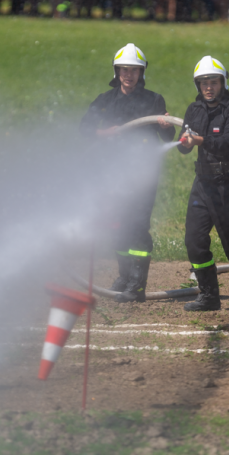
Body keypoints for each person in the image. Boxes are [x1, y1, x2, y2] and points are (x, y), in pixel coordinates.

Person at [79, 44, 175, 303]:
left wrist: (166, 126)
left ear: (142, 72)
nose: (128, 75)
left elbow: (168, 135)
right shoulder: (105, 100)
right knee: (116, 224)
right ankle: (123, 276)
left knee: (137, 226)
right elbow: (84, 129)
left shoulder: (153, 100)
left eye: (134, 70)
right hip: (111, 173)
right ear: (116, 70)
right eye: (124, 69)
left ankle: (137, 283)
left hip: (142, 174)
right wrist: (104, 133)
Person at [177, 56, 229, 312]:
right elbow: (184, 148)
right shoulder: (194, 110)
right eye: (203, 83)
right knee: (194, 239)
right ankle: (209, 295)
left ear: (223, 82)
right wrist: (184, 142)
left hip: (228, 183)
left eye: (213, 82)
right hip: (202, 183)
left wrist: (200, 140)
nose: (208, 88)